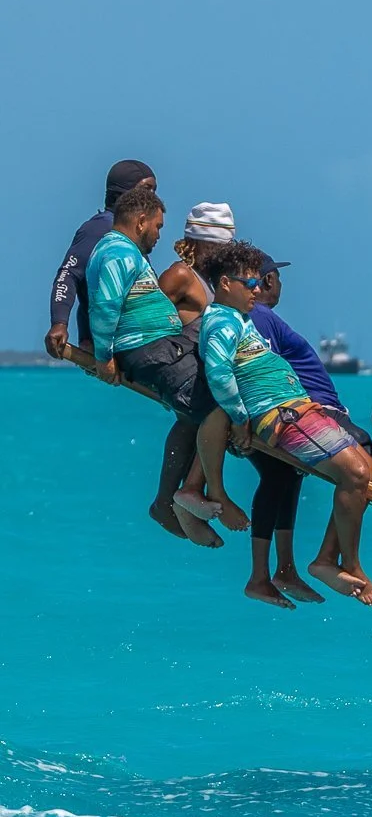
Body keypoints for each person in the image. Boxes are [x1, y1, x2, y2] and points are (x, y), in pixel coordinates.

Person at [199, 241, 372, 607]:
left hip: (299, 409)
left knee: (368, 470)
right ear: (224, 284)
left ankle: (330, 560)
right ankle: (343, 564)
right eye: (248, 283)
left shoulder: (241, 320)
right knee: (356, 474)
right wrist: (239, 418)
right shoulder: (220, 321)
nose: (257, 290)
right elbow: (219, 375)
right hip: (282, 416)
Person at [45, 160, 199, 542]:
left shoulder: (129, 240)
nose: (155, 196)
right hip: (111, 346)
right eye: (148, 188)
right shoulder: (100, 231)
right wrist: (62, 323)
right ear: (127, 195)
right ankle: (177, 497)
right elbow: (69, 275)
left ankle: (187, 493)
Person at [85, 188, 237, 539]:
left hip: (162, 348)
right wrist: (104, 357)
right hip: (152, 352)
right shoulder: (117, 253)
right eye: (156, 226)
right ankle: (193, 494)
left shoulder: (126, 253)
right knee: (221, 404)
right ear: (140, 222)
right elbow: (106, 306)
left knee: (198, 412)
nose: (158, 234)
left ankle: (172, 501)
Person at [243, 250, 371, 607]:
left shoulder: (257, 317)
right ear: (268, 280)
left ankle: (280, 570)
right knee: (368, 465)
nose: (280, 283)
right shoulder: (262, 316)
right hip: (304, 413)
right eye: (278, 277)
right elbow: (260, 370)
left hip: (292, 414)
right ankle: (333, 560)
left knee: (283, 478)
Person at [158, 202, 236, 322]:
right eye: (214, 246)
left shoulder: (210, 281)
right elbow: (147, 320)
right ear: (195, 243)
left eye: (225, 248)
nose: (220, 254)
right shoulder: (181, 274)